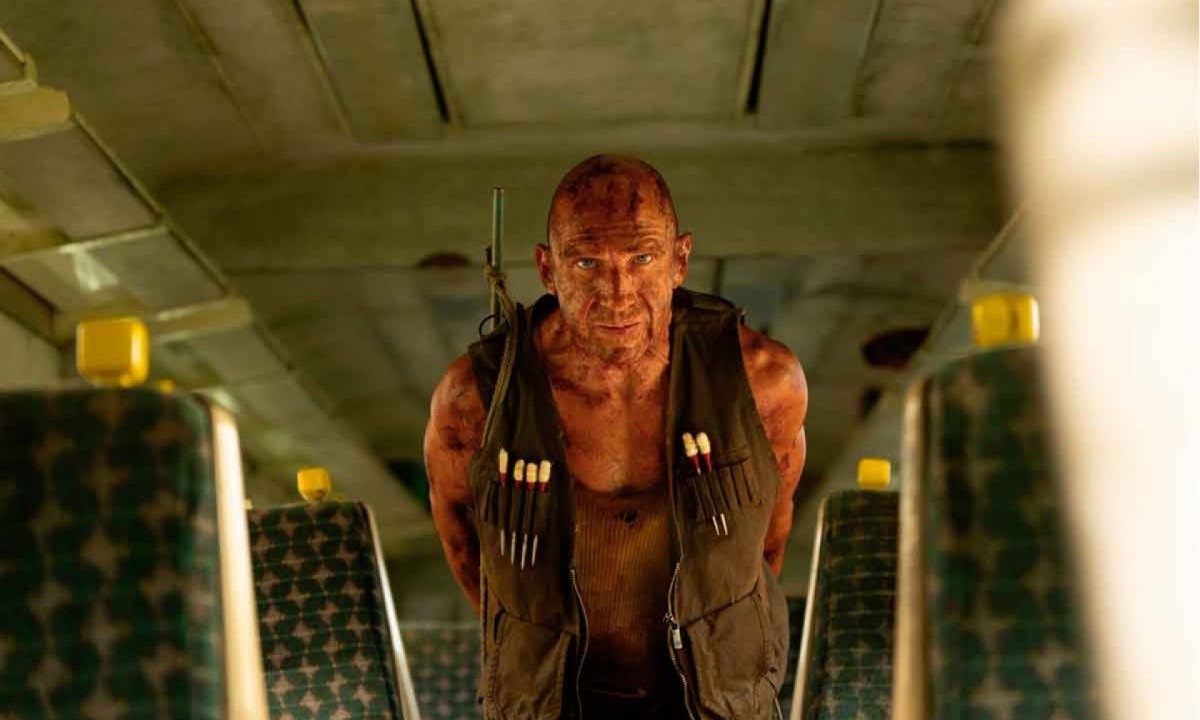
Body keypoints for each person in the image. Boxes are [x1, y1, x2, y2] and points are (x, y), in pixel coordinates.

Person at [424, 155, 807, 720]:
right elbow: (462, 544)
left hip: (719, 704)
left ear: (680, 261)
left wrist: (721, 650)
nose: (618, 292)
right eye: (586, 262)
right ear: (548, 269)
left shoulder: (763, 382)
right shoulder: (475, 396)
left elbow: (766, 541)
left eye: (642, 258)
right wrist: (532, 650)